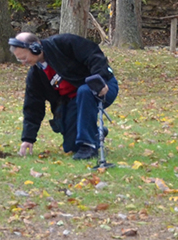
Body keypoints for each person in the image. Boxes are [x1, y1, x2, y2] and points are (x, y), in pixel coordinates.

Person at [9, 31, 119, 160]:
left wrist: (99, 78)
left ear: (35, 48)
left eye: (24, 58)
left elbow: (94, 55)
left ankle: (89, 145)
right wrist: (28, 138)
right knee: (71, 147)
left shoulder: (63, 43)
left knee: (85, 90)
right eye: (19, 60)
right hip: (73, 100)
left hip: (102, 86)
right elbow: (33, 106)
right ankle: (96, 133)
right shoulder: (35, 75)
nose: (23, 63)